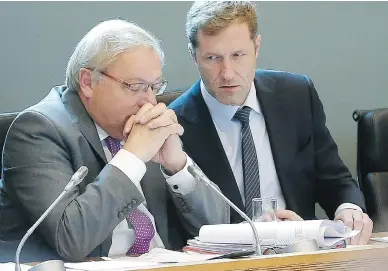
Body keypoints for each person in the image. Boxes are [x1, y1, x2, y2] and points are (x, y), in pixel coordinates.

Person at [0, 19, 228, 262]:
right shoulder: (38, 131)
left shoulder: (146, 127)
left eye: (154, 87)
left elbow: (220, 233)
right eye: (136, 87)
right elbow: (71, 240)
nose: (150, 102)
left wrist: (177, 165)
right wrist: (132, 158)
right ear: (88, 82)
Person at [169, 1, 373, 245]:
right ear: (194, 55)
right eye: (212, 58)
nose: (227, 73)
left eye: (238, 55)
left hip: (301, 253)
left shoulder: (296, 95)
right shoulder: (175, 124)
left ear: (256, 47)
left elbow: (334, 179)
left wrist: (348, 208)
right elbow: (182, 226)